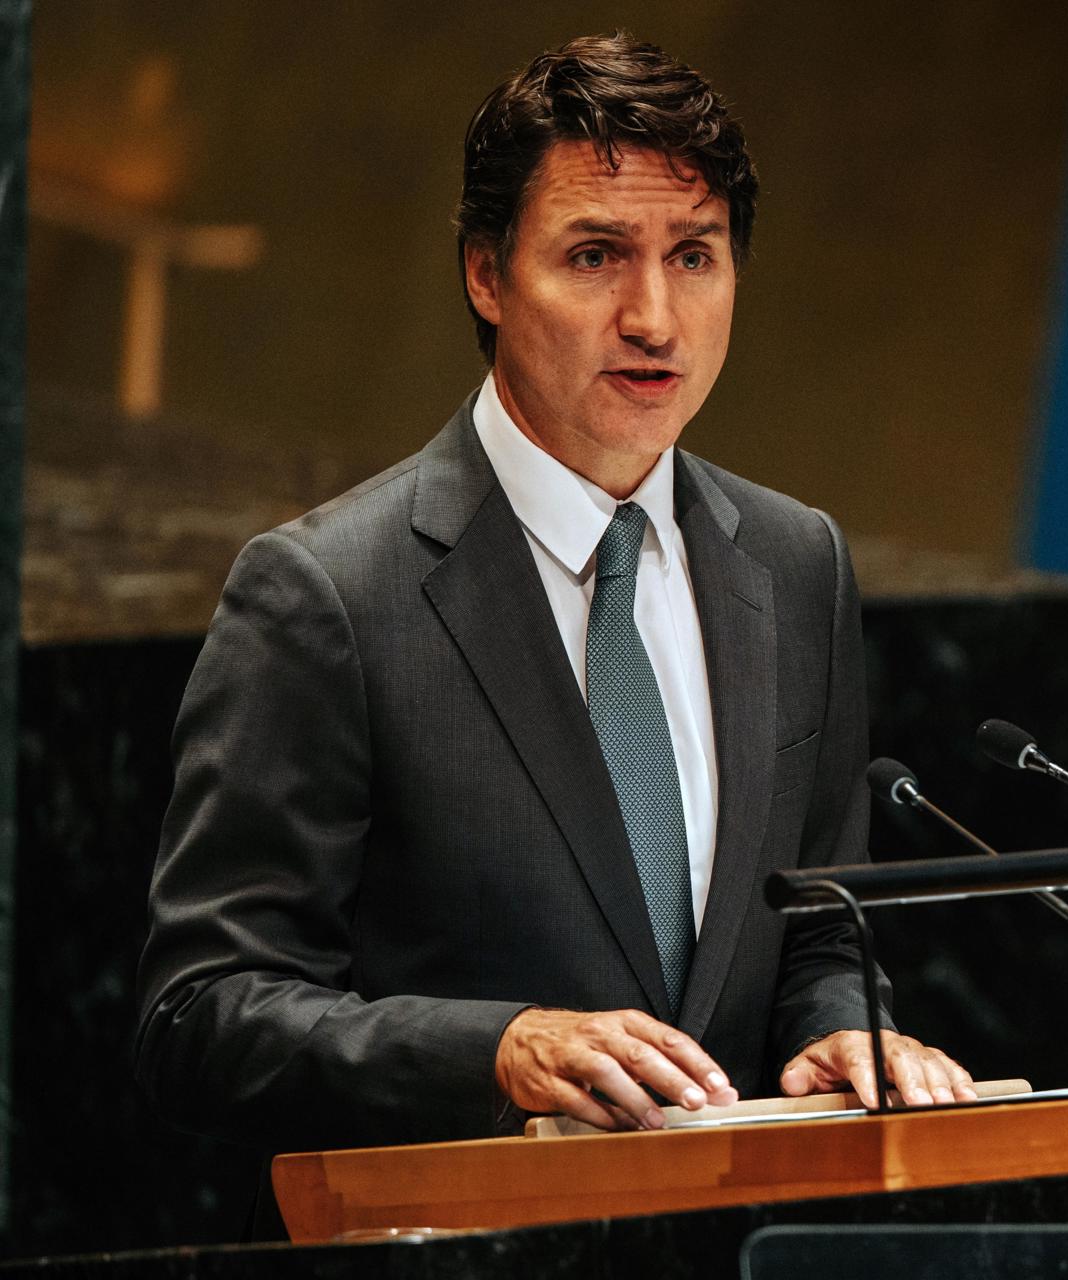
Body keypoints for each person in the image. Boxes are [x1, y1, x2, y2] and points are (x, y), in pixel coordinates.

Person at [134, 33, 973, 1162]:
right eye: (594, 256)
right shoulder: (325, 593)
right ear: (486, 271)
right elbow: (202, 1015)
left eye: (694, 256)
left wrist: (838, 1032)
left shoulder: (795, 562)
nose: (654, 318)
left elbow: (816, 936)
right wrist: (496, 1051)